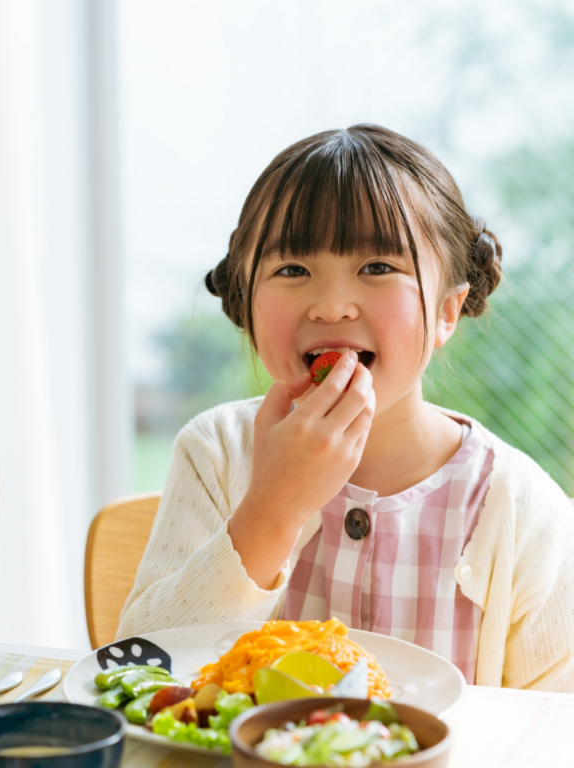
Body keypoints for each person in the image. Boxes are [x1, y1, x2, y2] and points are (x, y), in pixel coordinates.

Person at [118, 124, 574, 691]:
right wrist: (273, 506)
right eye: (292, 270)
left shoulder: (518, 505)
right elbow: (136, 675)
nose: (331, 306)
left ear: (448, 311)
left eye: (378, 268)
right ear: (246, 300)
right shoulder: (216, 452)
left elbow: (554, 729)